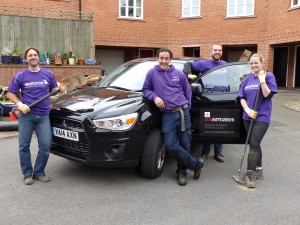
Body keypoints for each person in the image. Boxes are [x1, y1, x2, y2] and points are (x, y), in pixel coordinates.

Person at [142, 48, 204, 186]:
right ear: (157, 59)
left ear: (170, 60)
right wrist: (155, 97)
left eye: (166, 58)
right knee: (171, 146)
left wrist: (187, 109)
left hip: (182, 112)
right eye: (161, 58)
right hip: (167, 114)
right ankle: (196, 164)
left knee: (184, 144)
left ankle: (181, 173)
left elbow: (187, 92)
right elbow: (146, 90)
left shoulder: (179, 73)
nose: (164, 61)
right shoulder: (152, 73)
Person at [7, 47, 66, 185]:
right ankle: (27, 174)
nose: (33, 57)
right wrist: (19, 103)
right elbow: (10, 93)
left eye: (35, 55)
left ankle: (39, 172)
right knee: (24, 146)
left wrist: (60, 89)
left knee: (46, 145)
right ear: (26, 59)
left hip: (44, 116)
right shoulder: (21, 76)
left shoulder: (48, 74)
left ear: (38, 57)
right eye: (30, 55)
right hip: (26, 115)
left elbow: (53, 90)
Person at [238, 53, 278, 188]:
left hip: (262, 117)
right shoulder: (247, 79)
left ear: (262, 63)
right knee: (255, 144)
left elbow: (268, 95)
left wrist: (262, 80)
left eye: (256, 63)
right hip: (248, 116)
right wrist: (247, 110)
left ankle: (250, 174)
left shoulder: (269, 76)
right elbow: (241, 97)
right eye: (251, 63)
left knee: (254, 143)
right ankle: (259, 170)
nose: (254, 65)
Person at [183, 44, 227, 162]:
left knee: (221, 127)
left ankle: (218, 152)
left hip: (222, 99)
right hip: (207, 99)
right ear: (211, 51)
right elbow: (188, 64)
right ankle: (205, 152)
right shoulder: (203, 63)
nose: (217, 52)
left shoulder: (225, 65)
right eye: (215, 50)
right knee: (208, 126)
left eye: (219, 50)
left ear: (221, 52)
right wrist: (188, 74)